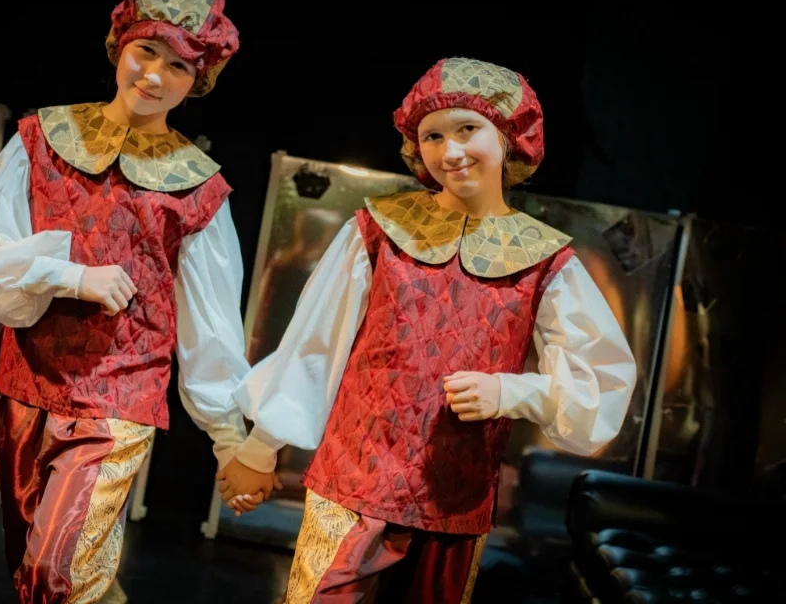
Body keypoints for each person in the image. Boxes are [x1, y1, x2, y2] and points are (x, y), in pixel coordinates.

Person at [220, 57, 638, 602]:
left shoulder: (544, 262)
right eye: (433, 135)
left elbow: (600, 382)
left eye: (467, 129)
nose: (450, 151)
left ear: (508, 135)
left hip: (454, 502)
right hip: (355, 486)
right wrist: (260, 447)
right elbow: (314, 344)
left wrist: (512, 392)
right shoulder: (378, 231)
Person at [0, 0, 257, 603]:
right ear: (120, 46)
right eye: (146, 52)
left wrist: (228, 438)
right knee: (37, 570)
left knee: (55, 575)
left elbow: (210, 319)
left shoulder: (198, 187)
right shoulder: (42, 139)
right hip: (26, 383)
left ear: (198, 80)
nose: (155, 75)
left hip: (120, 395)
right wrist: (71, 276)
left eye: (178, 66)